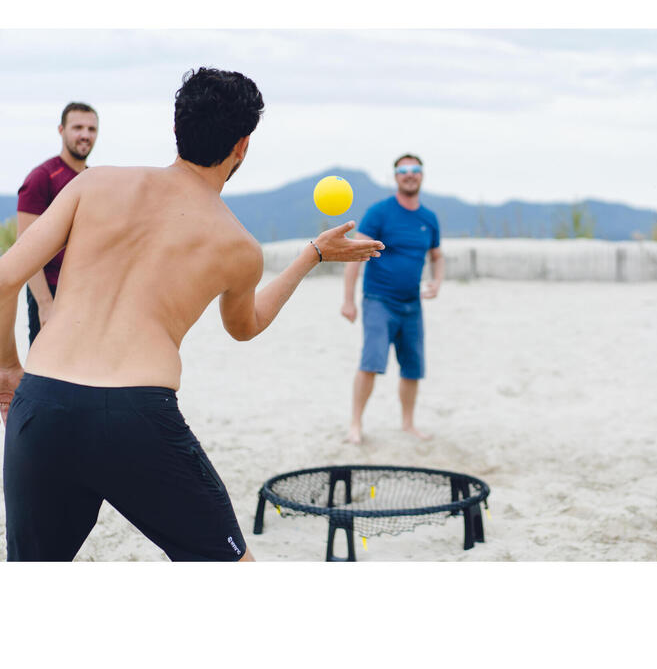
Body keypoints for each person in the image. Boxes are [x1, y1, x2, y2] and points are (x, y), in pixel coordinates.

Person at [0, 68, 383, 561]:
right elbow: (245, 328)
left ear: (176, 129)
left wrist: (10, 366)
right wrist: (312, 255)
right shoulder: (237, 244)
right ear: (242, 146)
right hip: (135, 416)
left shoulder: (92, 185)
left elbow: (6, 279)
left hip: (42, 402)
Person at [341, 154, 444, 444]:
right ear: (395, 176)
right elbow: (355, 256)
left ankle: (408, 424)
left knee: (413, 367)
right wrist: (348, 300)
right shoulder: (379, 212)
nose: (409, 174)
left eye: (415, 170)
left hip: (412, 303)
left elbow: (437, 256)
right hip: (378, 299)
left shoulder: (429, 218)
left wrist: (437, 282)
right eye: (403, 170)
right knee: (371, 361)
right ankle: (355, 425)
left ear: (422, 175)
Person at [17, 102, 99, 345]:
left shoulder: (94, 179)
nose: (85, 135)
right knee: (47, 377)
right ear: (61, 131)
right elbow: (25, 250)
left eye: (91, 129)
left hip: (85, 295)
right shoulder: (42, 178)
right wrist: (44, 304)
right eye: (78, 127)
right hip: (50, 294)